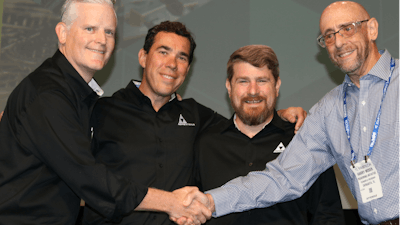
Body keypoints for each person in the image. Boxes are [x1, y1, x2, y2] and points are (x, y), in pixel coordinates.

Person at [183, 1, 400, 225]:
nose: (339, 42)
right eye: (329, 36)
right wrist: (212, 201)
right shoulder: (328, 111)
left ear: (372, 29)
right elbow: (283, 177)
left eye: (347, 28)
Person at [0, 1, 211, 225]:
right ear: (62, 33)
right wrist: (171, 202)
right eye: (90, 28)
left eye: (109, 32)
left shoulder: (76, 96)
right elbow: (90, 178)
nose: (101, 40)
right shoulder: (47, 95)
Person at [82, 21, 307, 225]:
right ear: (143, 57)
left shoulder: (196, 115)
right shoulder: (101, 111)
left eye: (182, 57)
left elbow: (245, 123)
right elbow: (84, 181)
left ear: (187, 69)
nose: (172, 64)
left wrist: (280, 114)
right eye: (163, 52)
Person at [195, 45, 345, 225]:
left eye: (262, 81)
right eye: (243, 81)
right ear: (229, 86)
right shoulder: (205, 144)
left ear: (277, 86)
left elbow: (328, 215)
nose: (252, 91)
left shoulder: (303, 140)